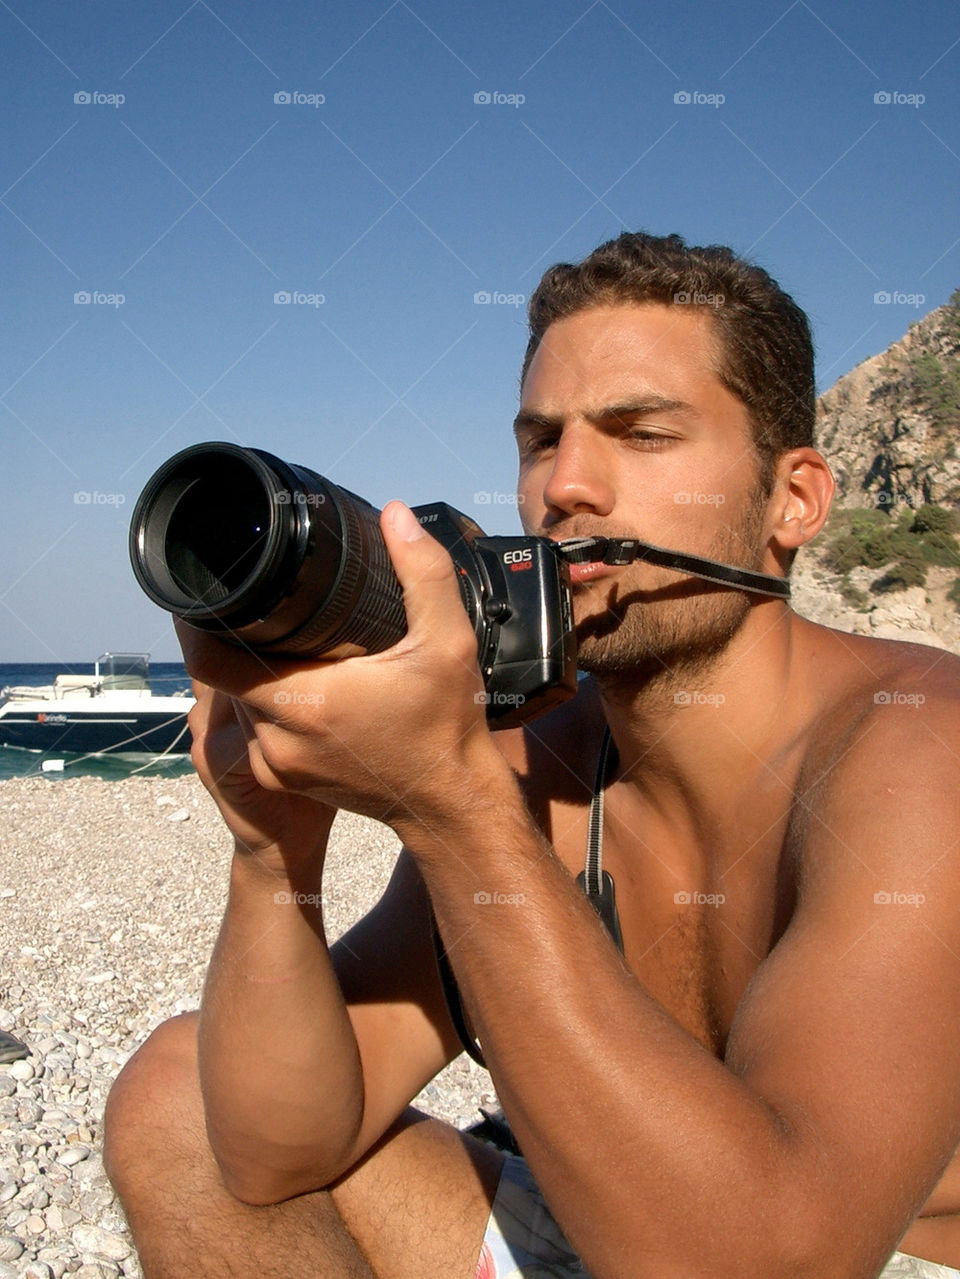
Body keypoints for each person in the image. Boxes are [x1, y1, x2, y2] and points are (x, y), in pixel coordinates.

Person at [103, 232, 960, 1279]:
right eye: (540, 440)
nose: (569, 487)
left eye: (642, 435)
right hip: (621, 1227)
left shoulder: (918, 746)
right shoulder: (543, 767)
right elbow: (276, 1149)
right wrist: (272, 846)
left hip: (855, 1258)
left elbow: (771, 1262)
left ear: (796, 500)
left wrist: (451, 806)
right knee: (173, 1096)